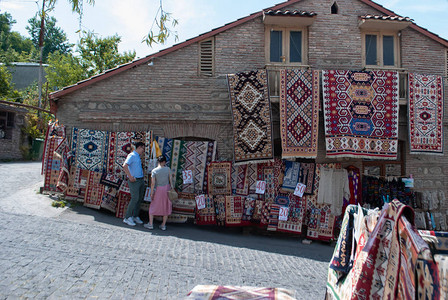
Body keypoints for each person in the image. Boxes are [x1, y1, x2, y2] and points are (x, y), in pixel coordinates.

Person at [144, 156, 172, 230]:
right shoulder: (168, 169)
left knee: (153, 205)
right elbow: (170, 180)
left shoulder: (154, 171)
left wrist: (152, 192)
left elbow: (153, 183)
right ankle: (163, 225)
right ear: (164, 162)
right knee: (166, 206)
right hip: (167, 188)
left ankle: (150, 223)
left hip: (159, 189)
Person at [122, 141, 146, 226]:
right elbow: (125, 165)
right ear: (139, 147)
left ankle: (135, 215)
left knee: (139, 198)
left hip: (140, 180)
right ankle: (127, 217)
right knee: (135, 198)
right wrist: (130, 176)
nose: (143, 150)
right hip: (134, 181)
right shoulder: (131, 155)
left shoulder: (137, 157)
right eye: (142, 148)